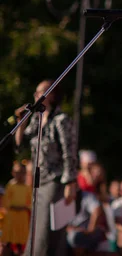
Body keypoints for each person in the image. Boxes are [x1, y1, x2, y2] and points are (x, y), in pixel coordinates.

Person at [15, 79, 78, 256]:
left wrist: (70, 183)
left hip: (55, 181)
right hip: (38, 181)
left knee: (46, 230)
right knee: (35, 227)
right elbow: (20, 145)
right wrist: (21, 121)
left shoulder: (61, 120)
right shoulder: (37, 119)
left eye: (39, 92)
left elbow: (70, 153)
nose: (36, 95)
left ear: (51, 94)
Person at [66, 163, 110, 254]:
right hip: (69, 230)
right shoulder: (62, 198)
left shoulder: (87, 194)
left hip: (86, 230)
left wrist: (90, 229)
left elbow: (97, 210)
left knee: (76, 237)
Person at [1, 161, 32, 255]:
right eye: (18, 172)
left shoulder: (27, 187)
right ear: (13, 173)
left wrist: (25, 207)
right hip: (12, 217)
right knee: (7, 243)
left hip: (22, 218)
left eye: (23, 173)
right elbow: (6, 201)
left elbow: (30, 202)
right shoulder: (11, 185)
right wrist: (14, 207)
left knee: (20, 244)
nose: (20, 175)